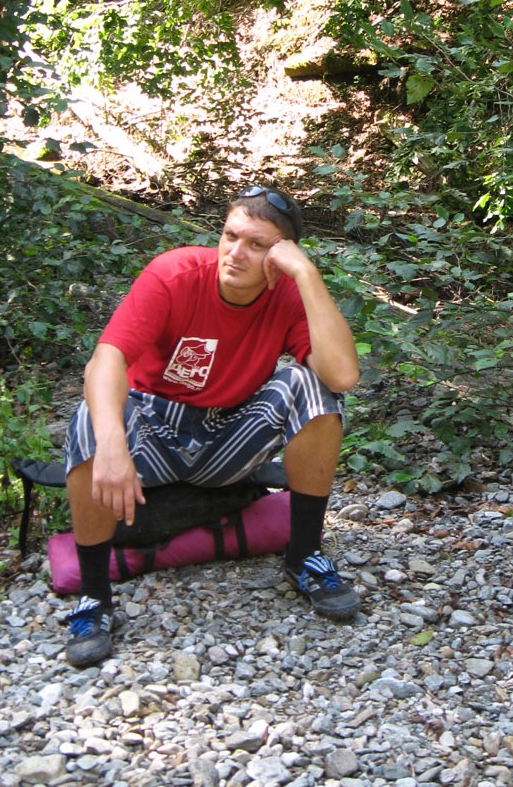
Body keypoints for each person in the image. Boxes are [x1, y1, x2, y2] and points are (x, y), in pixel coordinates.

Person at [62, 184, 361, 668]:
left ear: (281, 255)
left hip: (227, 435)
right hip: (153, 430)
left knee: (311, 385)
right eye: (230, 236)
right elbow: (106, 360)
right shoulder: (175, 274)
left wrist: (307, 275)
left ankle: (304, 556)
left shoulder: (286, 294)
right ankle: (93, 598)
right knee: (90, 418)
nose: (236, 253)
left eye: (257, 245)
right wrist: (113, 445)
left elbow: (342, 375)